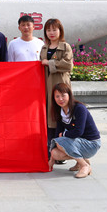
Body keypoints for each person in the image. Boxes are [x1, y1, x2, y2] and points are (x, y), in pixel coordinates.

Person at [49, 83, 101, 178]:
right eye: (57, 96)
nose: (60, 99)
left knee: (60, 142)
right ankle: (81, 161)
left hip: (91, 143)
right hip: (77, 142)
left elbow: (78, 131)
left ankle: (84, 165)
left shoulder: (79, 108)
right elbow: (58, 134)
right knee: (55, 153)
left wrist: (64, 134)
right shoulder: (60, 111)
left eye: (63, 95)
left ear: (69, 95)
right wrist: (52, 159)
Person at [40, 18, 74, 163]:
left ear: (60, 31)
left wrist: (49, 63)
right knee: (50, 119)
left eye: (54, 29)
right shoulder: (44, 48)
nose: (51, 32)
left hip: (60, 86)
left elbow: (68, 65)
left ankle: (64, 152)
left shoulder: (65, 47)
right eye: (48, 30)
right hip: (47, 87)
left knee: (63, 117)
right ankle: (51, 152)